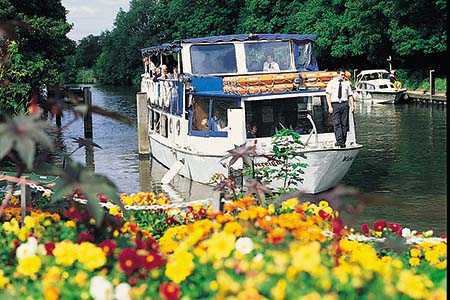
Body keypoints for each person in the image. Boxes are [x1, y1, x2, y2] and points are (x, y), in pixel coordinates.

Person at [325, 68, 355, 148]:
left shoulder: (346, 84)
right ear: (337, 74)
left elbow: (350, 95)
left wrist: (352, 106)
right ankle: (339, 140)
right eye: (342, 75)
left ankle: (343, 141)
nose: (343, 76)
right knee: (336, 123)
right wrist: (330, 106)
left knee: (344, 124)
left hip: (344, 104)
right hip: (335, 104)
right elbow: (328, 94)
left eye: (344, 75)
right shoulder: (331, 83)